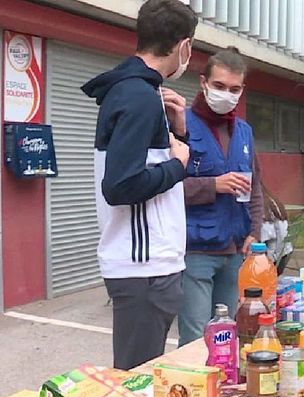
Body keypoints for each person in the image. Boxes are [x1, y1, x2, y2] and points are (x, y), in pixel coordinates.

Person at [81, 0, 198, 369]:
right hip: (143, 270)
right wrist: (179, 166)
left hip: (148, 268)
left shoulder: (143, 93)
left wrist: (179, 133)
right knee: (135, 379)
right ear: (184, 47)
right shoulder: (137, 96)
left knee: (142, 376)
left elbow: (144, 165)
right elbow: (120, 186)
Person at [178, 47, 264, 346]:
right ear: (203, 82)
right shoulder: (181, 125)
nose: (226, 94)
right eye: (219, 86)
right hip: (196, 250)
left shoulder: (244, 132)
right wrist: (213, 185)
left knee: (229, 338)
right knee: (195, 339)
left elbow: (255, 187)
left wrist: (255, 230)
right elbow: (164, 189)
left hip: (236, 250)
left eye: (234, 89)